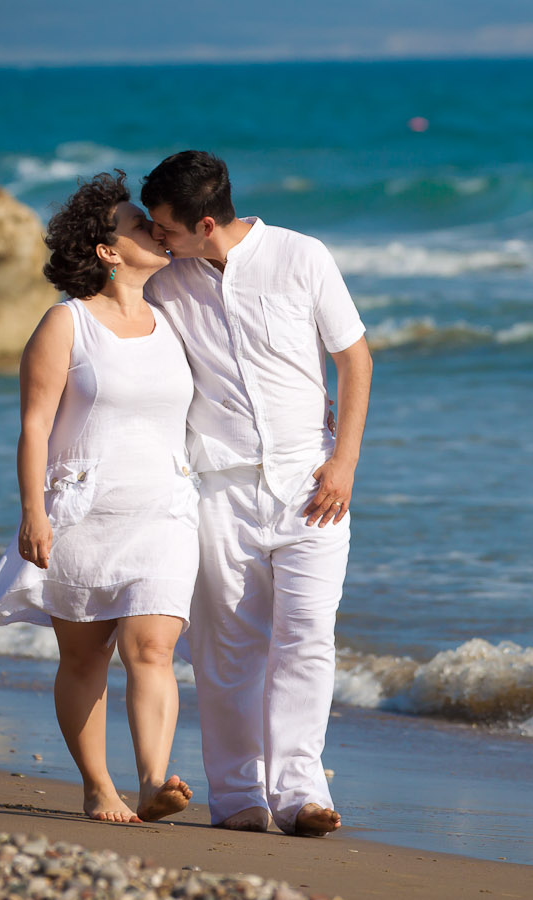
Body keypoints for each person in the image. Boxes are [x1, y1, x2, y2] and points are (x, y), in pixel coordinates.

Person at [0, 172, 196, 825]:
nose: (156, 234)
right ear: (108, 250)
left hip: (166, 506)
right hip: (84, 510)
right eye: (139, 226)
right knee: (84, 657)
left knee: (153, 646)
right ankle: (98, 787)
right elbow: (34, 427)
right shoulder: (65, 324)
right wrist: (33, 512)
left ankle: (155, 779)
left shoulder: (173, 320)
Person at [141, 151, 372, 836]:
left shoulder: (302, 257)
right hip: (217, 488)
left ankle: (301, 793)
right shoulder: (166, 277)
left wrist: (345, 465)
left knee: (308, 637)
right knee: (226, 648)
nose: (159, 239)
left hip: (312, 484)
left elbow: (353, 358)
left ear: (204, 223)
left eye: (167, 229)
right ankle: (239, 796)